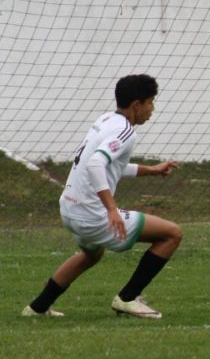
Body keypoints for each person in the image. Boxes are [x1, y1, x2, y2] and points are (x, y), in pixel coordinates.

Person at [21, 74, 183, 319]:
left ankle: (37, 308)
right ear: (136, 105)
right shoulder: (126, 131)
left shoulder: (105, 120)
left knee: (91, 254)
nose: (153, 109)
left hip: (69, 208)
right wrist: (111, 210)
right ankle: (127, 298)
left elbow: (107, 165)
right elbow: (96, 164)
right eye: (151, 102)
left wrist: (151, 170)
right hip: (92, 214)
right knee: (172, 234)